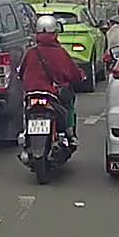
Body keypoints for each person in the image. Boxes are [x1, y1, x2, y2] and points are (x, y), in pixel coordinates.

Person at [19, 15, 86, 144]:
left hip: (31, 94)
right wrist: (81, 75)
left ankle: (26, 133)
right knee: (69, 103)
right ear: (55, 33)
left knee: (24, 109)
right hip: (53, 94)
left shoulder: (31, 52)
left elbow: (21, 72)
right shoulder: (60, 53)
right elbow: (73, 74)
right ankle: (70, 133)